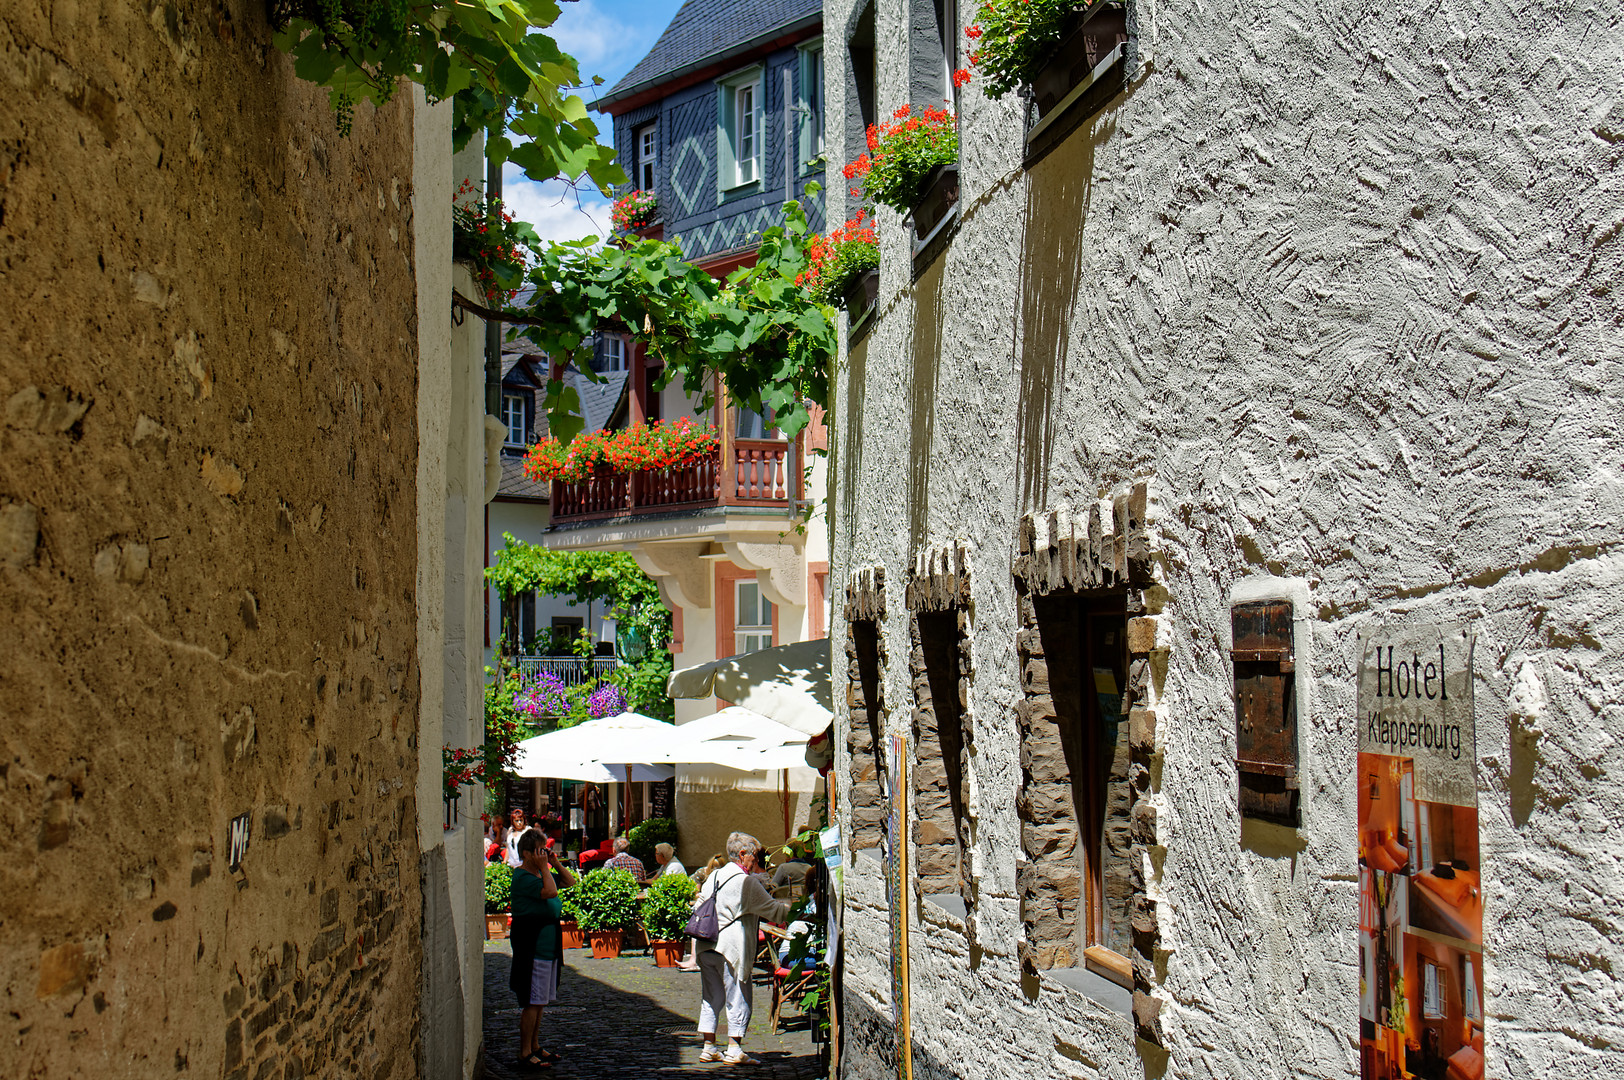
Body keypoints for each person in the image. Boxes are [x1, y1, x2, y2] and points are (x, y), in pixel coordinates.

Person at [694, 832, 792, 1065]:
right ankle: (734, 1048)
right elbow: (775, 912)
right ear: (742, 854)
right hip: (730, 948)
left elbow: (699, 905)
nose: (756, 861)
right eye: (755, 856)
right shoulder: (746, 883)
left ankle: (708, 1047)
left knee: (711, 996)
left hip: (705, 944)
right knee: (738, 995)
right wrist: (801, 907)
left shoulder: (714, 876)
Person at [510, 829, 574, 1071]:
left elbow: (569, 882)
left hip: (548, 946)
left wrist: (554, 863)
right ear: (527, 854)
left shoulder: (541, 874)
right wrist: (545, 868)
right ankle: (525, 1051)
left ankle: (535, 1045)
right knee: (532, 1001)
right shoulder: (524, 877)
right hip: (533, 946)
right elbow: (551, 892)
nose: (543, 855)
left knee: (541, 1001)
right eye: (539, 851)